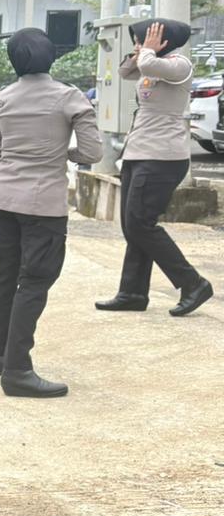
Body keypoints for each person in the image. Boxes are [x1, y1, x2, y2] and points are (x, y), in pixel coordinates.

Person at [0, 28, 102, 398]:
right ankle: (18, 370)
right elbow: (93, 152)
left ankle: (0, 355)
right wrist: (63, 153)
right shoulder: (69, 97)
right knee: (34, 281)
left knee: (3, 276)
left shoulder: (1, 98)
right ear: (52, 57)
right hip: (43, 204)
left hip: (1, 199)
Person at [96, 19, 214, 317]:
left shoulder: (179, 65)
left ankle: (193, 283)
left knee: (141, 223)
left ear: (165, 40)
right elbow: (125, 72)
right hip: (138, 152)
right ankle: (133, 293)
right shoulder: (151, 62)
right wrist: (139, 50)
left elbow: (148, 65)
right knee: (132, 225)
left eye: (144, 38)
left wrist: (147, 51)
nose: (140, 44)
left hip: (163, 157)